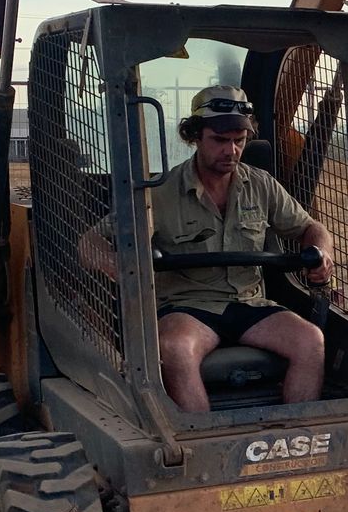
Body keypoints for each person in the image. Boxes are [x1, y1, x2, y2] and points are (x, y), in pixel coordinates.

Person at [84, 84, 333, 412]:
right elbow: (89, 243)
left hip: (249, 303)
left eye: (239, 141)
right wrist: (120, 267)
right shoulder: (157, 193)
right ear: (195, 136)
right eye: (220, 140)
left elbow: (310, 228)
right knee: (174, 348)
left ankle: (297, 438)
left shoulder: (261, 185)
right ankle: (198, 445)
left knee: (310, 341)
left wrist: (321, 251)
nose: (231, 151)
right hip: (188, 307)